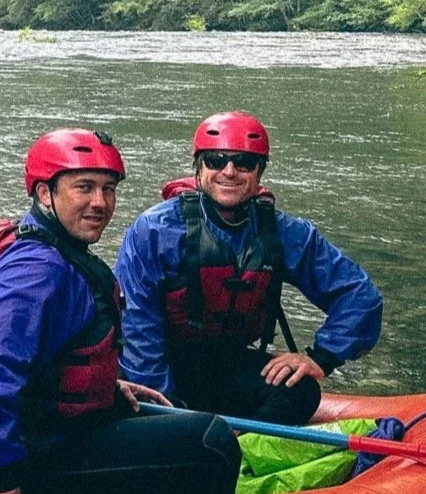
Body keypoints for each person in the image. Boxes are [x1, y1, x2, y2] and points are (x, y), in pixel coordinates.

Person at [0, 129, 241, 494]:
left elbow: (50, 357)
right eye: (83, 188)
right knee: (211, 443)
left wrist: (106, 384)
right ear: (45, 194)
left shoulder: (59, 251)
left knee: (172, 421)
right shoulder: (34, 273)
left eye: (108, 189)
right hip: (21, 469)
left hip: (47, 438)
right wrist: (5, 488)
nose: (100, 203)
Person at [115, 111, 382, 426]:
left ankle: (236, 450)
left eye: (243, 162)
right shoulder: (155, 231)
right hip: (162, 364)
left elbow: (359, 295)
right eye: (215, 160)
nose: (229, 171)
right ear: (199, 169)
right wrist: (168, 412)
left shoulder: (283, 233)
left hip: (225, 364)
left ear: (259, 173)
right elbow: (138, 329)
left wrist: (320, 357)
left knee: (301, 390)